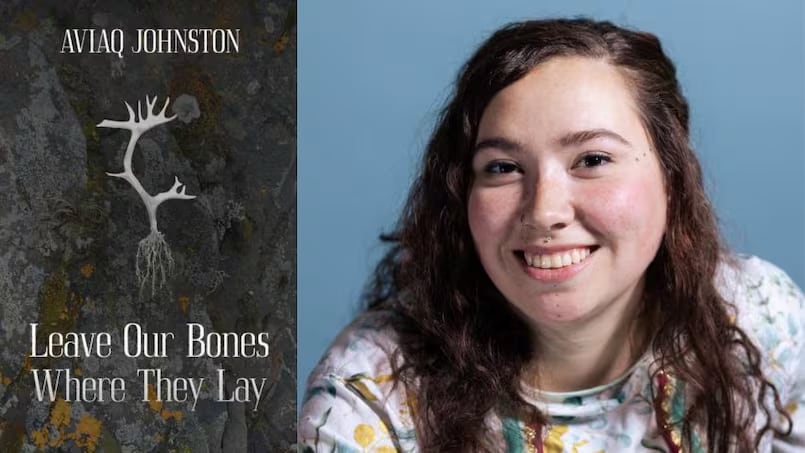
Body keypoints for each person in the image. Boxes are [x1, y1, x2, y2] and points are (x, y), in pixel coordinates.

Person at [298, 18, 805, 452]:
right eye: (502, 167)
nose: (543, 211)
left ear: (673, 178)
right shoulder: (366, 403)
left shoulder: (759, 316)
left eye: (592, 160)